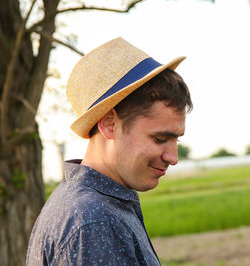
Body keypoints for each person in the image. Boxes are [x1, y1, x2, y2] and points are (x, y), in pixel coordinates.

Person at [26, 37, 192, 265]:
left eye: (176, 140)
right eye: (160, 138)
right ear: (109, 124)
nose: (172, 158)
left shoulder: (89, 204)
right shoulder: (93, 222)